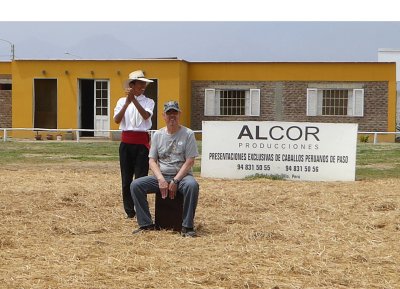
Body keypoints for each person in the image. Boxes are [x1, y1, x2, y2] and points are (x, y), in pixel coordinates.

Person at [130, 100, 199, 237]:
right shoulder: (158, 135)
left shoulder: (188, 134)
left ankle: (187, 226)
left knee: (193, 186)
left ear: (179, 114)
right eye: (169, 113)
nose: (172, 116)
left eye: (175, 113)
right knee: (136, 185)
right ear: (163, 116)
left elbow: (190, 161)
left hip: (182, 177)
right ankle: (146, 224)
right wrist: (161, 179)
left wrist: (176, 180)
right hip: (162, 176)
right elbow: (152, 160)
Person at [113, 70, 155, 219]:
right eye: (140, 83)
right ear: (132, 85)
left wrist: (134, 100)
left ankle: (141, 210)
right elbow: (117, 120)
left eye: (144, 84)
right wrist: (127, 102)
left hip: (141, 143)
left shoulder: (149, 101)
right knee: (126, 179)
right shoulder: (120, 101)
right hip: (126, 143)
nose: (143, 86)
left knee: (141, 179)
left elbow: (145, 116)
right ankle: (129, 211)